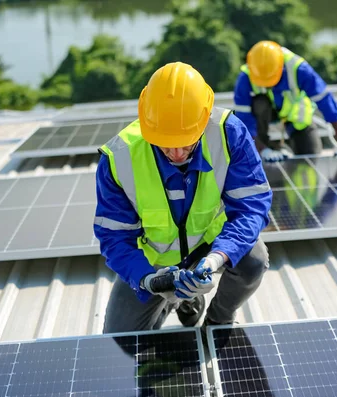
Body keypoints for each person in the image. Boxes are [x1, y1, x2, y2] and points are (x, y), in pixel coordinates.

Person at [94, 61, 273, 335]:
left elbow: (251, 207)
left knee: (254, 259)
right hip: (154, 261)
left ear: (204, 118)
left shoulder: (229, 134)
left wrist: (217, 259)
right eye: (166, 141)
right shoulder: (118, 158)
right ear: (146, 122)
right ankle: (180, 300)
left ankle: (217, 321)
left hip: (209, 245)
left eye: (187, 140)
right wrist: (149, 280)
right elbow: (114, 237)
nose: (177, 154)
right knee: (121, 338)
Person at [233, 40, 337, 162]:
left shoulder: (299, 69)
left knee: (310, 158)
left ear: (281, 67)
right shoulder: (246, 77)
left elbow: (325, 101)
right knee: (259, 105)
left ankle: (287, 145)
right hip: (265, 119)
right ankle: (268, 147)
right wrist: (263, 149)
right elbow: (244, 121)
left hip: (297, 116)